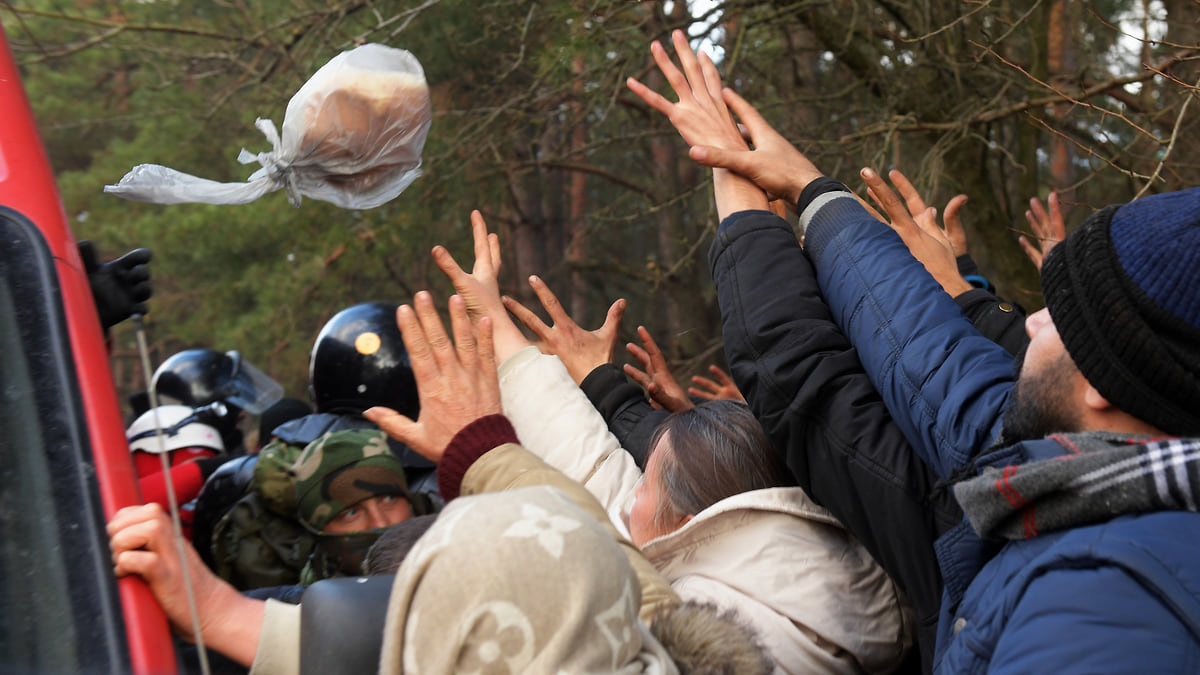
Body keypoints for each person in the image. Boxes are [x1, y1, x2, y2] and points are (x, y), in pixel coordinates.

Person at [629, 29, 1200, 673]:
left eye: (1060, 321)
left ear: (1104, 383)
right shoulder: (1049, 466)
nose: (1029, 324)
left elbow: (808, 375)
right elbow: (919, 342)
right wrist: (809, 191)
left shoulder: (1103, 617)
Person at [109, 293, 771, 674]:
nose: (625, 505)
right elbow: (612, 566)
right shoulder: (676, 646)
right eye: (349, 510)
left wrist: (220, 613)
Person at [402, 210, 915, 673]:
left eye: (645, 480)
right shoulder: (844, 570)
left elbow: (599, 520)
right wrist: (498, 330)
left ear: (690, 529)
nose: (632, 486)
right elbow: (595, 470)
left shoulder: (727, 646)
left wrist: (480, 447)